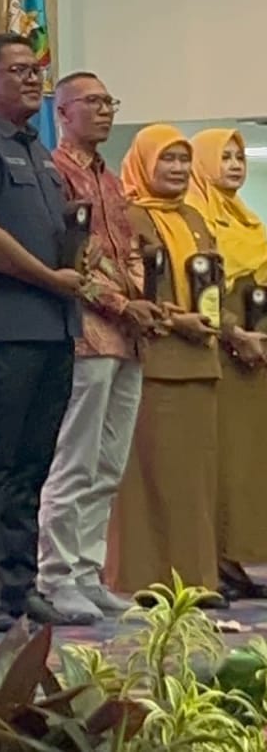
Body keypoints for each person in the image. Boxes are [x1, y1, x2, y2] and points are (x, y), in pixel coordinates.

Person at [0, 33, 89, 630]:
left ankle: (17, 584)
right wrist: (49, 277)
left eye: (36, 71)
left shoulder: (37, 150)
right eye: (18, 71)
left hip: (54, 327)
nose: (32, 80)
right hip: (5, 328)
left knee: (33, 465)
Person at [36, 74, 163, 621]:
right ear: (62, 113)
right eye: (92, 102)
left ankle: (88, 573)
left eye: (109, 102)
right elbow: (69, 261)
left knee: (109, 463)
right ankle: (56, 575)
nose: (105, 110)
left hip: (128, 340)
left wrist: (145, 303)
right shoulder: (52, 174)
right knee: (76, 460)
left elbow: (128, 255)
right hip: (85, 334)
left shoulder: (112, 182)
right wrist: (121, 303)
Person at [106, 126, 226, 594]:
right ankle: (144, 579)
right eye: (167, 160)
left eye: (183, 160)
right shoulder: (129, 215)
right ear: (143, 164)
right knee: (147, 477)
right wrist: (178, 322)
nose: (177, 169)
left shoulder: (195, 217)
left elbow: (211, 284)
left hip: (201, 360)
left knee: (195, 479)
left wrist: (222, 327)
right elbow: (132, 288)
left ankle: (195, 580)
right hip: (154, 357)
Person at [186, 128, 267, 601]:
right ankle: (212, 559)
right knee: (216, 455)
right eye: (226, 157)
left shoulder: (247, 218)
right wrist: (235, 333)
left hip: (254, 355)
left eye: (239, 157)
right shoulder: (195, 217)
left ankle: (236, 556)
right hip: (216, 346)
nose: (235, 165)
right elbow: (200, 289)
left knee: (246, 459)